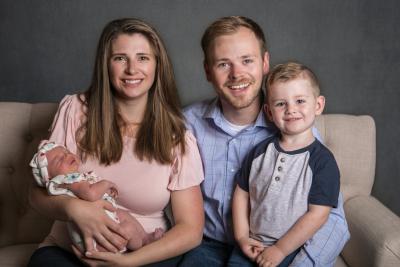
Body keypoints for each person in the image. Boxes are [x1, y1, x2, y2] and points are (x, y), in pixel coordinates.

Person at [28, 18, 204, 267]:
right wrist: (74, 209)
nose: (132, 69)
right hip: (68, 254)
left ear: (157, 65)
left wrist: (129, 262)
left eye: (143, 58)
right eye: (120, 58)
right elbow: (35, 194)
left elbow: (191, 229)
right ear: (106, 65)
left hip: (142, 257)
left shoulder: (177, 138)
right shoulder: (75, 110)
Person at [181, 16, 349, 266]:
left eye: (247, 60)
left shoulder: (295, 131)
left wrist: (293, 260)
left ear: (265, 62)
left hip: (274, 249)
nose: (237, 74)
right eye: (223, 64)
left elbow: (332, 219)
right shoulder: (187, 124)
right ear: (207, 70)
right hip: (207, 246)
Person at [229, 62, 344, 267]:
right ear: (269, 112)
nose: (291, 110)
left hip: (292, 249)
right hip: (252, 245)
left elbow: (318, 215)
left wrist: (280, 250)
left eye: (300, 101)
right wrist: (242, 236)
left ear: (318, 105)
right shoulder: (259, 152)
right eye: (281, 103)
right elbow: (241, 192)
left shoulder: (322, 162)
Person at [30, 140, 164, 252]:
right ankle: (139, 245)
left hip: (94, 231)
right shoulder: (69, 180)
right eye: (59, 159)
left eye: (66, 152)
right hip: (96, 239)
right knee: (127, 229)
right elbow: (91, 194)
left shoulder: (65, 183)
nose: (66, 156)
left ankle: (145, 238)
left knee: (123, 214)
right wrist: (106, 184)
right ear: (49, 177)